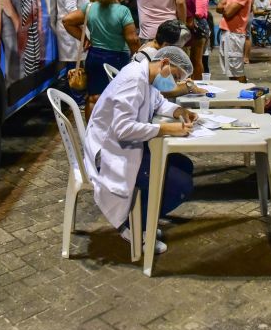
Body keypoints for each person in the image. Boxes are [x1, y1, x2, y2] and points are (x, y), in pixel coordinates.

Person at [81, 47, 198, 254]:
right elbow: (123, 128)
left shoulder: (145, 75)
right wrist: (164, 129)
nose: (174, 83)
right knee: (180, 185)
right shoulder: (134, 78)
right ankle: (135, 226)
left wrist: (179, 111)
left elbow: (158, 102)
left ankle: (143, 215)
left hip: (125, 146)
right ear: (164, 63)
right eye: (176, 76)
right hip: (109, 153)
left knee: (184, 165)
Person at [64, 0, 140, 121]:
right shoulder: (122, 11)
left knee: (93, 97)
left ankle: (91, 133)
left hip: (95, 57)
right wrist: (138, 55)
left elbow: (67, 21)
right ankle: (117, 129)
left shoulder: (90, 7)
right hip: (118, 59)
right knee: (120, 97)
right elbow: (132, 39)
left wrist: (85, 39)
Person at [55, 0, 91, 97]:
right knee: (74, 68)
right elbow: (72, 13)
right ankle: (77, 100)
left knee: (78, 66)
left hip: (78, 30)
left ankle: (79, 98)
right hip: (72, 32)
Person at [217, 0, 253, 83]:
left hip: (234, 34)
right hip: (227, 33)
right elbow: (219, 7)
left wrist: (226, 6)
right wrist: (227, 6)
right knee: (231, 71)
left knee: (237, 71)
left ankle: (245, 98)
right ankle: (236, 97)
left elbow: (227, 13)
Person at [181, 0, 209, 79]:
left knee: (196, 60)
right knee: (195, 59)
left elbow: (199, 13)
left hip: (199, 29)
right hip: (199, 29)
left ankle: (198, 82)